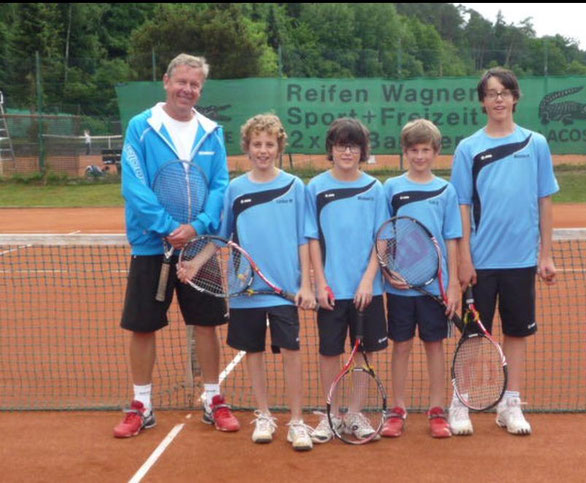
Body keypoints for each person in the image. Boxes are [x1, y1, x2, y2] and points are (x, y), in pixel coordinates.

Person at [113, 53, 238, 438]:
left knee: (206, 324)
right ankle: (141, 404)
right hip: (152, 247)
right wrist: (168, 227)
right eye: (181, 81)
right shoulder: (142, 127)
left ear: (201, 89)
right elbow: (133, 184)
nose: (187, 90)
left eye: (195, 84)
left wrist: (197, 226)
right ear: (167, 81)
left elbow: (220, 185)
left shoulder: (211, 132)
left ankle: (213, 398)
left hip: (198, 247)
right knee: (142, 327)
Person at [449, 67, 559, 436]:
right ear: (482, 101)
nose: (498, 98)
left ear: (514, 98)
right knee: (472, 336)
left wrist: (545, 254)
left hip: (521, 260)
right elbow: (461, 206)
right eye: (491, 93)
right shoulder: (468, 148)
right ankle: (460, 402)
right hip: (480, 261)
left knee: (516, 333)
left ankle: (510, 403)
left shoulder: (536, 144)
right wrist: (465, 258)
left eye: (504, 92)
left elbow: (544, 201)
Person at [200, 113, 315, 451]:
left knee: (291, 352)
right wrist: (194, 263)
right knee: (253, 352)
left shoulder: (296, 186)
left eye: (269, 144)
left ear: (279, 147)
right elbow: (222, 238)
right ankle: (263, 414)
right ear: (247, 148)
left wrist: (306, 284)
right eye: (257, 144)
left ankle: (296, 420)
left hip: (285, 290)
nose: (263, 150)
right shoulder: (235, 189)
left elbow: (304, 238)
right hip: (244, 290)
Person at [305, 118, 390, 443]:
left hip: (367, 290)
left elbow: (380, 239)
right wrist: (320, 282)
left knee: (364, 353)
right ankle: (330, 415)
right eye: (341, 145)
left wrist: (369, 280)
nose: (347, 151)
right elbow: (312, 239)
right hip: (331, 289)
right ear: (331, 148)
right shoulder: (316, 187)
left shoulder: (375, 189)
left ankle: (354, 414)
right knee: (329, 352)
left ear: (362, 151)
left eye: (353, 146)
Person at [380, 119, 462, 439]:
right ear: (404, 152)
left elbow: (452, 238)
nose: (419, 156)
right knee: (400, 347)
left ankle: (437, 410)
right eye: (413, 150)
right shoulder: (391, 188)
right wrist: (387, 269)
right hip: (400, 287)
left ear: (436, 152)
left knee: (435, 347)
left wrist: (453, 283)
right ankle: (397, 410)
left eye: (425, 150)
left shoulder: (446, 189)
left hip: (435, 288)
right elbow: (384, 235)